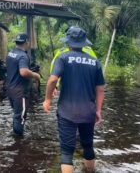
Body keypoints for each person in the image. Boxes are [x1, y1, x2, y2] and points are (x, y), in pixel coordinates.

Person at [43, 26, 105, 173]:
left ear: (68, 42)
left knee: (66, 152)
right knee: (88, 146)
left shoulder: (62, 58)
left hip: (67, 112)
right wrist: (98, 110)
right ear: (84, 43)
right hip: (88, 112)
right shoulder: (94, 61)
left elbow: (52, 81)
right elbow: (101, 89)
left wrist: (47, 100)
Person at [6, 33, 41, 136]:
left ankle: (14, 136)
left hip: (10, 88)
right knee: (20, 116)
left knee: (16, 114)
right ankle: (19, 143)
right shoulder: (23, 56)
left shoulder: (11, 53)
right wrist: (36, 75)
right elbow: (24, 72)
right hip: (20, 91)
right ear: (26, 42)